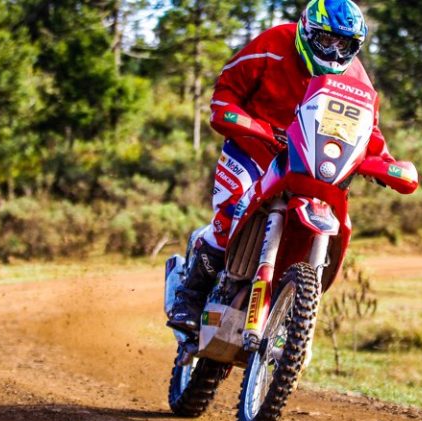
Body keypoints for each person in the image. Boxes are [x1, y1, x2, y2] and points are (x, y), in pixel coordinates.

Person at [168, 0, 396, 333]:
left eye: (344, 44)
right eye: (327, 40)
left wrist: (387, 162)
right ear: (307, 31)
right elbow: (226, 92)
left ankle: (287, 317)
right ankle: (188, 299)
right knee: (231, 212)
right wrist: (247, 124)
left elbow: (369, 131)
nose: (335, 52)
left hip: (310, 163)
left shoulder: (357, 79)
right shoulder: (273, 43)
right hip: (253, 148)